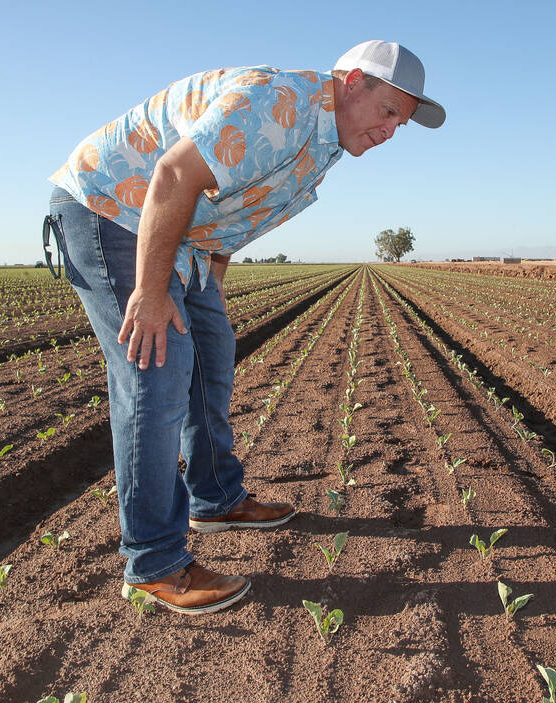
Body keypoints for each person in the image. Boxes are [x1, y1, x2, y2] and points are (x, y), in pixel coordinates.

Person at [44, 40, 444, 615]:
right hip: (116, 210)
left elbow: (232, 215)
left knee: (212, 350)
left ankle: (215, 497)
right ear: (353, 81)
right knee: (156, 373)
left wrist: (210, 288)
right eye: (388, 112)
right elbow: (173, 174)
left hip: (186, 238)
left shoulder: (324, 141)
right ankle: (153, 562)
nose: (390, 132)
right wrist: (151, 292)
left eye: (400, 124)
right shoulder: (278, 103)